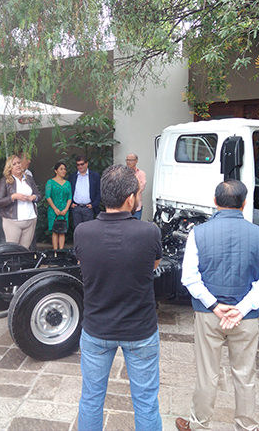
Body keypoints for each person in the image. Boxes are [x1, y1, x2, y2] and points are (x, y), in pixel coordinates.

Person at [176, 179, 259, 431]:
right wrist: (242, 308)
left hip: (209, 315)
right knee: (245, 375)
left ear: (215, 201)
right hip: (246, 317)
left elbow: (189, 277)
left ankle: (199, 424)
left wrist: (213, 305)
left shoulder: (198, 233)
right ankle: (247, 427)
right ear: (244, 203)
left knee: (207, 373)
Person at [75, 164, 163, 431]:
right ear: (130, 199)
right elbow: (153, 265)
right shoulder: (149, 232)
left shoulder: (82, 232)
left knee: (91, 399)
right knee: (146, 402)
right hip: (140, 329)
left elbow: (83, 263)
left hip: (97, 328)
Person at [0, 154, 40, 248]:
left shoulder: (28, 178)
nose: (17, 165)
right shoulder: (5, 181)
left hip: (30, 218)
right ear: (9, 167)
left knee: (24, 249)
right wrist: (13, 197)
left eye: (19, 163)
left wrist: (34, 197)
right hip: (13, 221)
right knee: (13, 250)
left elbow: (39, 196)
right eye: (14, 164)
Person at [45, 162, 72, 249]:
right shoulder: (50, 182)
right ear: (56, 171)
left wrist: (66, 209)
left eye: (64, 169)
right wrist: (55, 208)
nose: (63, 171)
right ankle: (55, 251)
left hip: (64, 209)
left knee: (62, 230)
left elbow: (69, 198)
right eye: (61, 169)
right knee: (55, 231)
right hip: (53, 210)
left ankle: (61, 251)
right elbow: (48, 196)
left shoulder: (67, 183)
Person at [69, 155, 101, 227]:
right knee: (77, 230)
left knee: (88, 230)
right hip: (76, 208)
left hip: (88, 208)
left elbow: (99, 192)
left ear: (87, 163)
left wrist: (93, 205)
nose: (80, 166)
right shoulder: (72, 176)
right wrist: (71, 203)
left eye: (82, 164)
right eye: (78, 165)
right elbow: (69, 192)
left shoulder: (95, 176)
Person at [125, 153, 147, 219]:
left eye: (130, 160)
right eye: (127, 160)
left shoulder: (141, 173)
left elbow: (142, 187)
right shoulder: (123, 173)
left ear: (136, 161)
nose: (128, 162)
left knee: (136, 223)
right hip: (124, 206)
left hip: (136, 206)